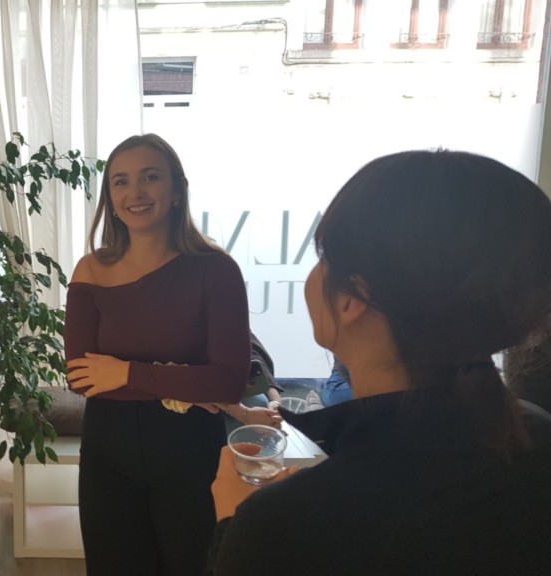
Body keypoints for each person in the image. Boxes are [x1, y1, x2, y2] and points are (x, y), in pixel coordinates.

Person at [210, 150, 551, 575]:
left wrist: (234, 522)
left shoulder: (290, 523)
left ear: (353, 299)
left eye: (324, 257)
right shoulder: (537, 437)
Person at [65, 133, 251, 575]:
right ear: (110, 198)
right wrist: (186, 384)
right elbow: (82, 377)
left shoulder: (217, 270)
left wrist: (125, 373)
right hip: (108, 454)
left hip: (190, 453)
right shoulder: (90, 270)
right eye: (121, 181)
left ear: (177, 189)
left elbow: (228, 382)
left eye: (150, 177)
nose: (136, 192)